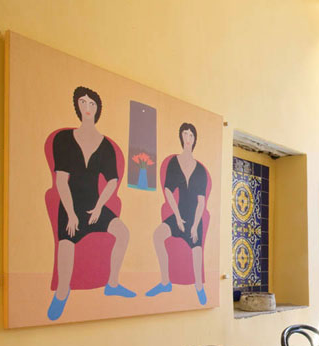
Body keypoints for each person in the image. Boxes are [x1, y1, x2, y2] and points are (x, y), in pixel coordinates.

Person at [47, 86, 135, 321]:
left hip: (93, 205)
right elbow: (61, 181)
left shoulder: (105, 145)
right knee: (66, 240)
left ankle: (113, 283)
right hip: (70, 204)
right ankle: (62, 293)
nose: (87, 107)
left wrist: (98, 207)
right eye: (83, 102)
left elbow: (112, 180)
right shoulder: (64, 140)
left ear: (98, 109)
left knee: (123, 233)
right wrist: (72, 213)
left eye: (91, 103)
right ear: (77, 106)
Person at [146, 123, 208, 305]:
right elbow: (167, 191)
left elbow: (201, 202)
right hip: (178, 214)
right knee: (158, 235)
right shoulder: (174, 162)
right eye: (185, 134)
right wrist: (177, 217)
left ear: (195, 139)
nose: (188, 138)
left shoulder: (200, 170)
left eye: (191, 135)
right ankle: (165, 282)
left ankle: (199, 287)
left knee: (197, 250)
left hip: (195, 218)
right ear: (181, 137)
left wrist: (195, 226)